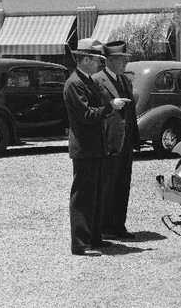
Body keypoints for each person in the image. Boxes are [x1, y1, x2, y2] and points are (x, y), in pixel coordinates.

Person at [64, 38, 127, 257]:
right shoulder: (74, 83)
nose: (100, 64)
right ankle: (80, 244)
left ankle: (94, 237)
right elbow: (86, 114)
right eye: (97, 59)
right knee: (82, 196)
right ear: (86, 59)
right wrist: (109, 107)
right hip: (84, 148)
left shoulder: (86, 80)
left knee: (95, 194)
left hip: (94, 146)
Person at [93, 40, 140, 240]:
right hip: (109, 142)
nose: (125, 64)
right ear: (110, 60)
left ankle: (119, 225)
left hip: (126, 142)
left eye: (125, 60)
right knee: (107, 185)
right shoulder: (97, 80)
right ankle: (105, 227)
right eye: (122, 60)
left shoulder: (124, 81)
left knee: (122, 184)